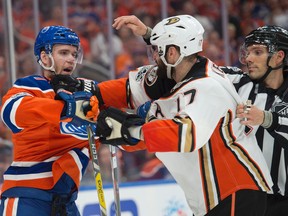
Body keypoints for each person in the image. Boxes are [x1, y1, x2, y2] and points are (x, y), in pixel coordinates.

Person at [94, 15, 273, 216]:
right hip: (216, 198)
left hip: (234, 191)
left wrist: (130, 129)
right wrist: (93, 95)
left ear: (172, 53)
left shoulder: (206, 86)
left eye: (157, 51)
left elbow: (185, 135)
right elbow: (131, 89)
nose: (154, 57)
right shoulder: (178, 74)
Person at [0, 25, 97, 215]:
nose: (71, 58)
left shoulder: (84, 93)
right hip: (27, 198)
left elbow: (111, 106)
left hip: (65, 202)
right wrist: (63, 108)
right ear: (45, 57)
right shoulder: (31, 85)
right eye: (64, 52)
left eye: (74, 53)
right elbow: (10, 113)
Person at [223, 26, 288, 216]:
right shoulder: (237, 82)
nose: (248, 58)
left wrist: (266, 118)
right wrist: (153, 35)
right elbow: (196, 71)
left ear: (279, 57)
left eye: (257, 52)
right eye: (248, 52)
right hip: (244, 200)